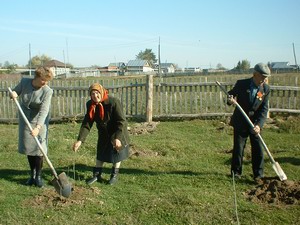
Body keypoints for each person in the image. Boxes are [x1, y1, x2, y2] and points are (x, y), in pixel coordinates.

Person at [72, 83, 130, 185]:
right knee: (101, 153)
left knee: (117, 153)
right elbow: (87, 123)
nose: (95, 96)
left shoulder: (113, 102)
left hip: (117, 130)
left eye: (97, 93)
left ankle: (114, 175)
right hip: (103, 132)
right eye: (92, 94)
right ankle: (97, 175)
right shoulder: (90, 104)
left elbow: (121, 121)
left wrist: (118, 138)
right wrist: (80, 140)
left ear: (102, 92)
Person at [10, 66, 54, 187]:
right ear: (37, 77)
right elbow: (15, 91)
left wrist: (38, 127)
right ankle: (32, 175)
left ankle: (39, 176)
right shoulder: (25, 82)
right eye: (43, 80)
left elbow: (44, 111)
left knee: (39, 150)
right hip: (26, 119)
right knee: (29, 148)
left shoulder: (47, 91)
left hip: (40, 120)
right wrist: (13, 94)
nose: (45, 83)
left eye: (47, 81)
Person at [227, 63, 271, 182]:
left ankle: (258, 175)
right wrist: (230, 100)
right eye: (262, 76)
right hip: (241, 121)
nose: (264, 80)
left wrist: (259, 125)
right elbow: (231, 94)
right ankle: (236, 173)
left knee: (258, 148)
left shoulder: (265, 89)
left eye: (266, 77)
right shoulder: (242, 84)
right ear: (255, 74)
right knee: (239, 148)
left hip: (255, 123)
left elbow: (264, 109)